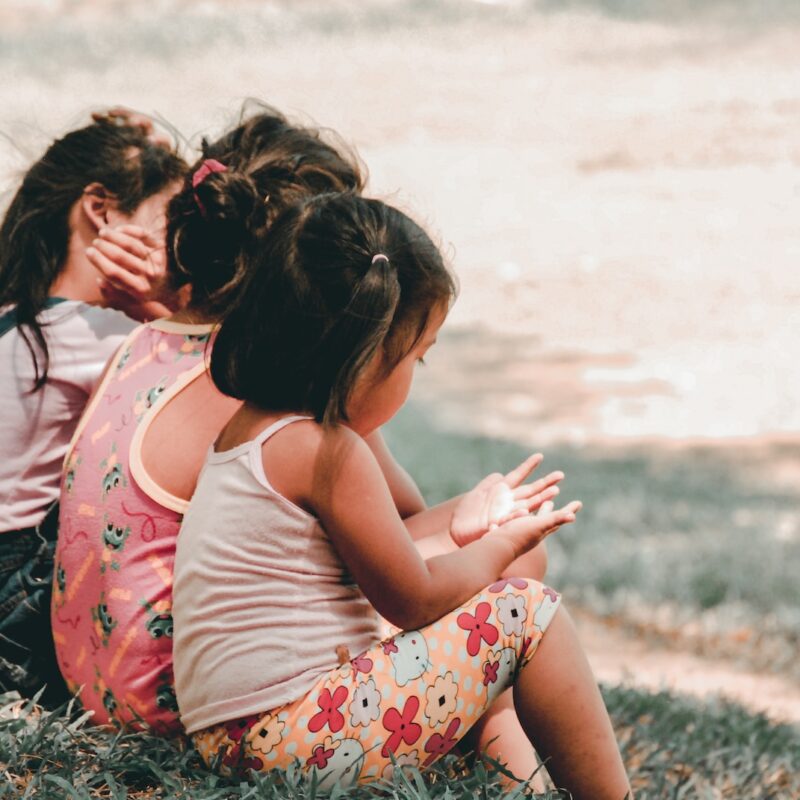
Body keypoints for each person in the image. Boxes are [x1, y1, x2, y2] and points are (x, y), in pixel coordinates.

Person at [172, 192, 632, 799]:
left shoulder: (254, 430)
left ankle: (523, 788)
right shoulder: (327, 450)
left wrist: (468, 526)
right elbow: (413, 599)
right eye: (417, 355)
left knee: (496, 603)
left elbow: (382, 555)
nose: (416, 372)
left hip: (238, 738)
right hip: (295, 739)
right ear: (366, 356)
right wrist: (502, 546)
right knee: (527, 611)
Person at [51, 106, 368, 734]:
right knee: (505, 571)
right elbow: (396, 525)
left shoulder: (138, 342)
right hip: (186, 700)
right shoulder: (254, 385)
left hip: (95, 686)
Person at [0, 114, 186, 704]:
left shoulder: (16, 317)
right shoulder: (104, 335)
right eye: (167, 224)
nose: (176, 250)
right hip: (18, 589)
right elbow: (212, 385)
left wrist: (144, 149)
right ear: (101, 210)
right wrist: (166, 309)